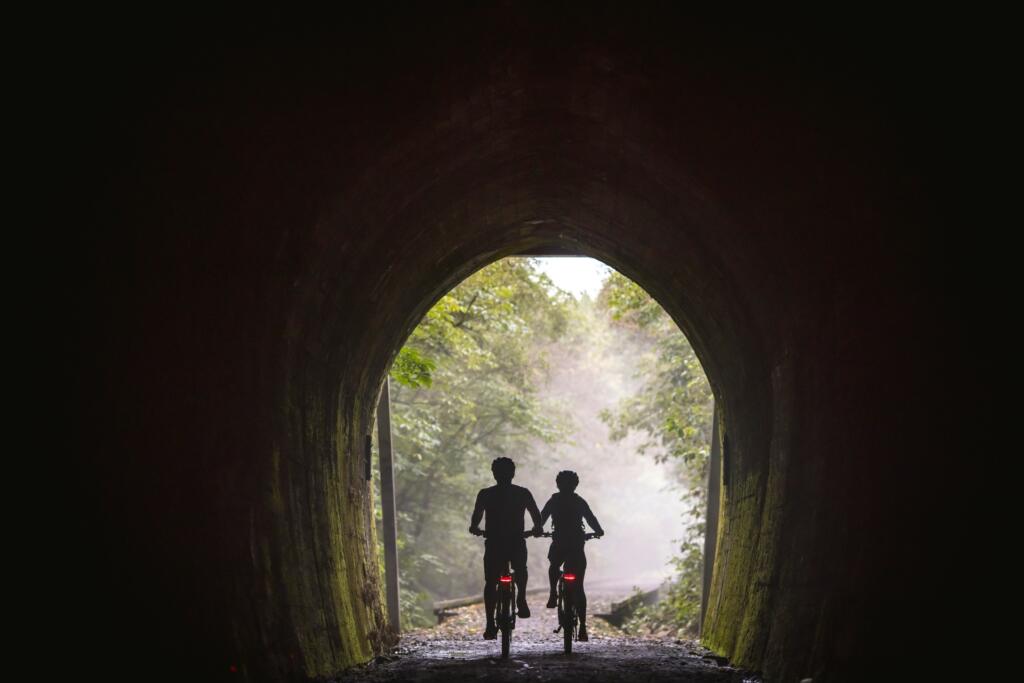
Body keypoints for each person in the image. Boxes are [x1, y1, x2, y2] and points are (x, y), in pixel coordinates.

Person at [469, 457, 543, 639]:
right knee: (521, 569)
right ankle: (521, 599)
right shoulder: (523, 493)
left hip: (494, 542)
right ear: (513, 473)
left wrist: (475, 529)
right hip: (516, 541)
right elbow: (536, 515)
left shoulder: (485, 494)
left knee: (491, 582)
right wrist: (537, 529)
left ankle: (489, 625)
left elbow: (476, 518)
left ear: (493, 473)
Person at [539, 470, 604, 642]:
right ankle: (582, 627)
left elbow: (541, 519)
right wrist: (598, 531)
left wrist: (537, 530)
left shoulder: (554, 501)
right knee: (579, 587)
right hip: (576, 545)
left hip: (559, 543)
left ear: (557, 484)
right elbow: (591, 519)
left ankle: (553, 593)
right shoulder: (579, 501)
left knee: (554, 565)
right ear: (576, 485)